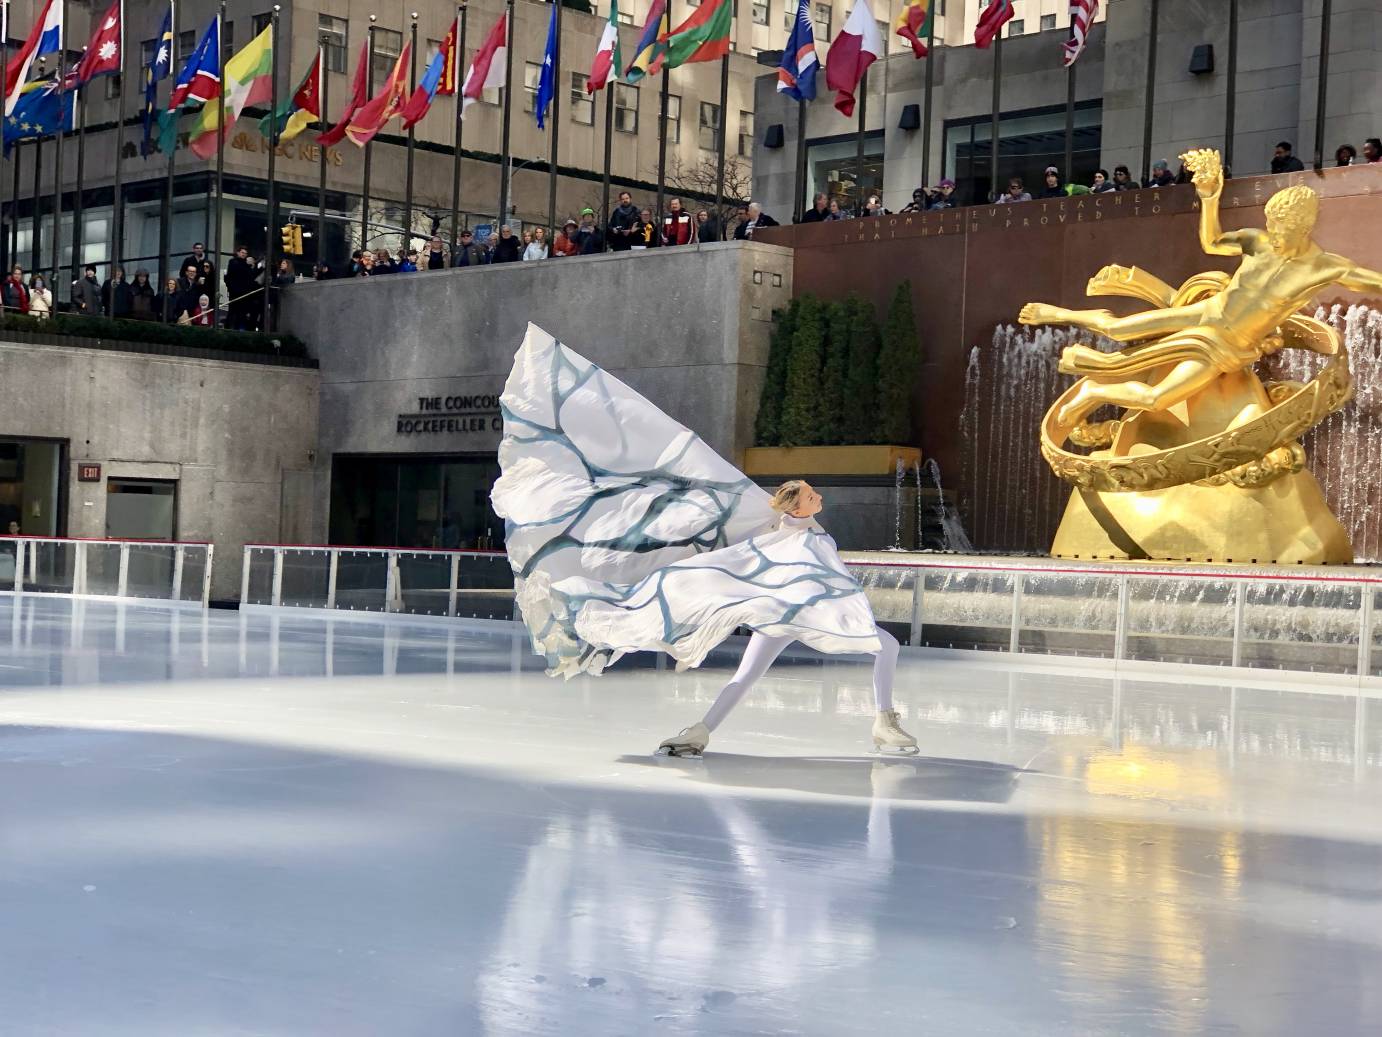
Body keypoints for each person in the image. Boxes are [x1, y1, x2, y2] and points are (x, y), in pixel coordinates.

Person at [490, 327, 919, 759]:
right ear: (797, 506)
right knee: (883, 647)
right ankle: (883, 720)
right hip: (789, 612)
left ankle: (699, 732)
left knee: (747, 677)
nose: (818, 497)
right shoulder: (793, 537)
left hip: (780, 614)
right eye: (811, 495)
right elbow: (804, 569)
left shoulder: (788, 531)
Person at [1019, 146, 1382, 426]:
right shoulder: (1257, 241)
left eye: (1280, 227)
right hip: (1206, 312)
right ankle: (1057, 313)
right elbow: (1212, 243)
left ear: (1303, 226)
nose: (1273, 232)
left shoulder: (1325, 267)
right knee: (1117, 328)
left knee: (1156, 398)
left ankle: (1094, 393)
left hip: (1227, 346)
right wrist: (1209, 198)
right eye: (1270, 223)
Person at [224, 245, 258, 328]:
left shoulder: (247, 265)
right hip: (234, 292)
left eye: (245, 253)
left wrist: (252, 266)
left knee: (241, 313)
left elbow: (251, 277)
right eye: (242, 252)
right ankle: (228, 328)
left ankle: (237, 328)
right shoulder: (233, 262)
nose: (244, 254)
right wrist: (231, 288)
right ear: (238, 253)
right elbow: (231, 275)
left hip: (244, 293)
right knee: (232, 311)